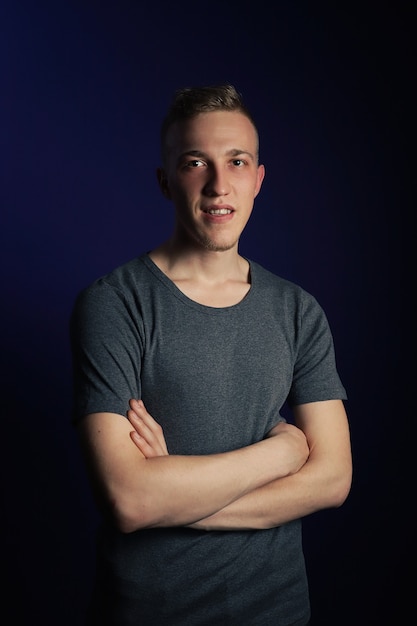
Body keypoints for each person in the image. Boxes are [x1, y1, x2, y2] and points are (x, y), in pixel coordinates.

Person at [70, 83, 352, 626]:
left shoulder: (298, 311)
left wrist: (175, 500)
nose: (219, 185)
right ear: (165, 180)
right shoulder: (113, 304)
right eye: (195, 162)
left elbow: (334, 479)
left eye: (237, 161)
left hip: (280, 612)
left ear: (258, 179)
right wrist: (283, 454)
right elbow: (129, 500)